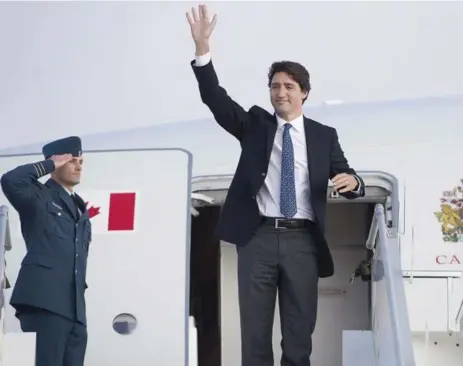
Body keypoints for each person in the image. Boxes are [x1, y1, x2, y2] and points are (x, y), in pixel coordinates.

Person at [186, 5, 365, 366]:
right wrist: (202, 51)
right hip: (258, 239)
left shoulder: (323, 136)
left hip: (303, 241)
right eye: (274, 86)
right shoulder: (255, 125)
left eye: (288, 86)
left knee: (299, 336)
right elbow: (215, 99)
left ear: (304, 93)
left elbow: (346, 174)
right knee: (254, 334)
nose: (280, 92)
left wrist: (354, 182)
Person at [0, 136, 91, 366]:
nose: (78, 165)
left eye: (80, 160)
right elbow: (11, 180)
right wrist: (50, 164)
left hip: (75, 310)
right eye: (71, 160)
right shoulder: (38, 196)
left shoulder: (81, 209)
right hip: (45, 303)